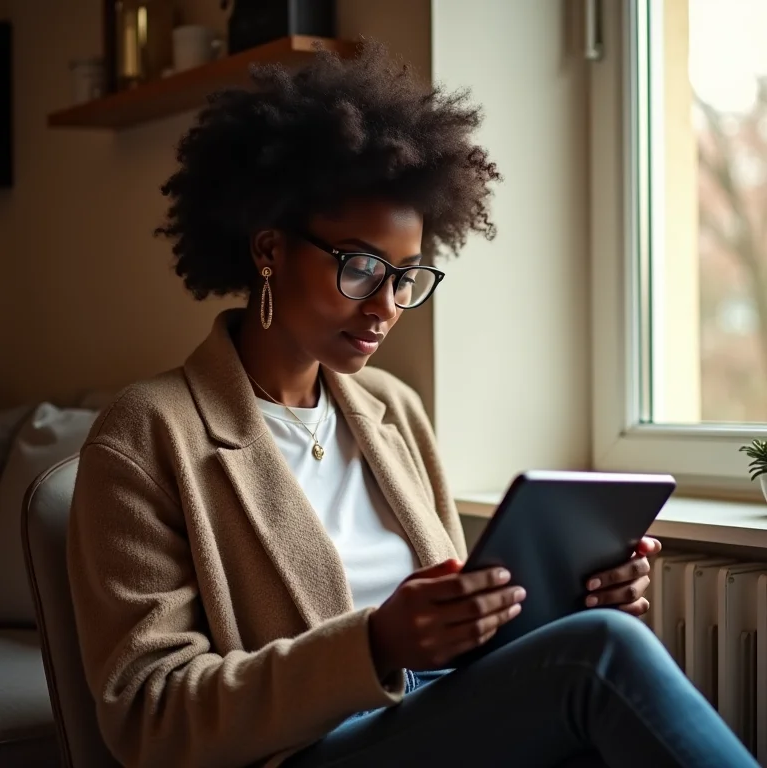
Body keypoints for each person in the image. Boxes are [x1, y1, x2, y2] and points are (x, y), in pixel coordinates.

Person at [67, 43, 758, 768]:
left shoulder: (392, 410)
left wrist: (573, 599)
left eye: (408, 276)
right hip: (302, 753)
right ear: (268, 249)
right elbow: (150, 715)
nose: (388, 307)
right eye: (361, 267)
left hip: (431, 722)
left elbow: (462, 636)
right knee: (602, 659)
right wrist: (374, 646)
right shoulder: (147, 434)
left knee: (600, 651)